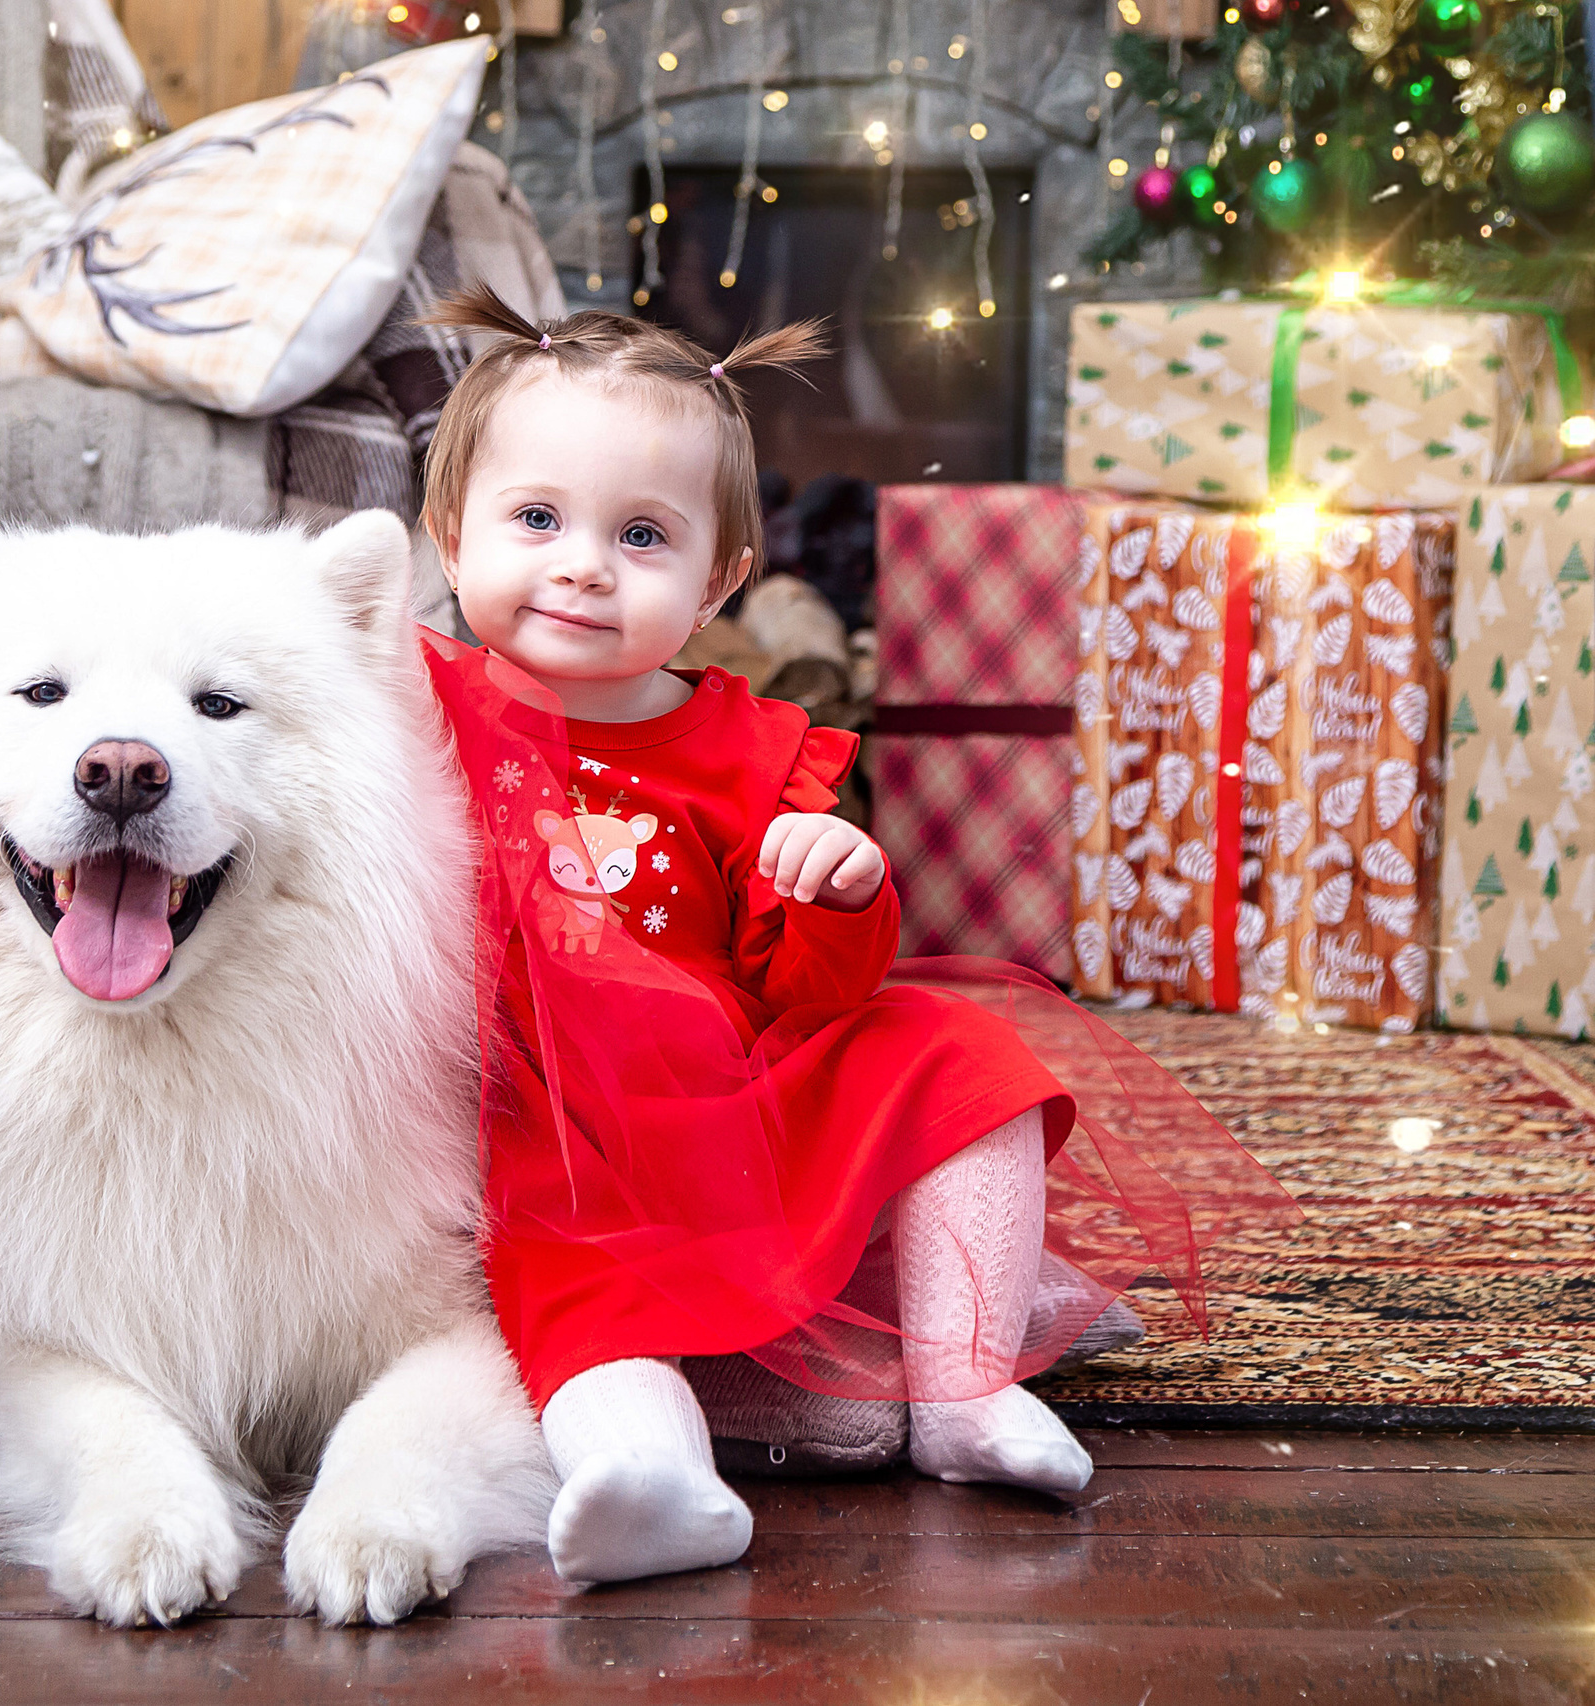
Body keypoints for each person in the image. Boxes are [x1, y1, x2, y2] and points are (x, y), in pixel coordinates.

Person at [410, 284, 1294, 1587]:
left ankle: (963, 1385)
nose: (584, 564)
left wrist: (836, 893)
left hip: (730, 1096)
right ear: (448, 533)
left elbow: (808, 995)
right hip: (540, 1127)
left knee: (955, 1051)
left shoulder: (748, 747)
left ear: (719, 581)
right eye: (536, 519)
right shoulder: (412, 702)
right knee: (566, 1291)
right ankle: (647, 1478)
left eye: (642, 535)